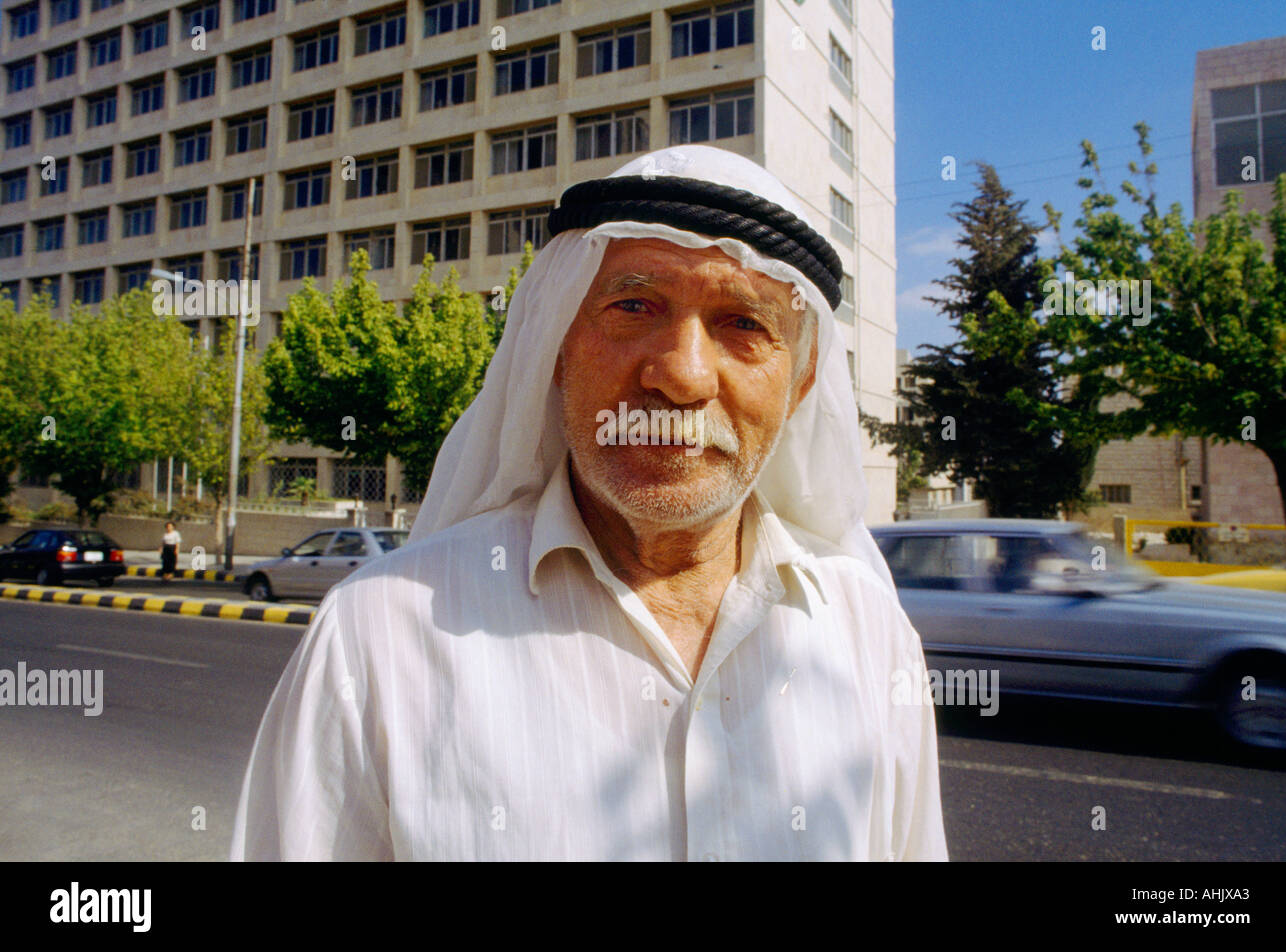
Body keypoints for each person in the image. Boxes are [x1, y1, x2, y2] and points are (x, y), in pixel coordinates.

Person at [231, 145, 947, 861]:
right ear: (558, 347)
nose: (682, 376)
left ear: (800, 382)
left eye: (743, 325)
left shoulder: (872, 640)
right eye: (633, 306)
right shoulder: (379, 636)